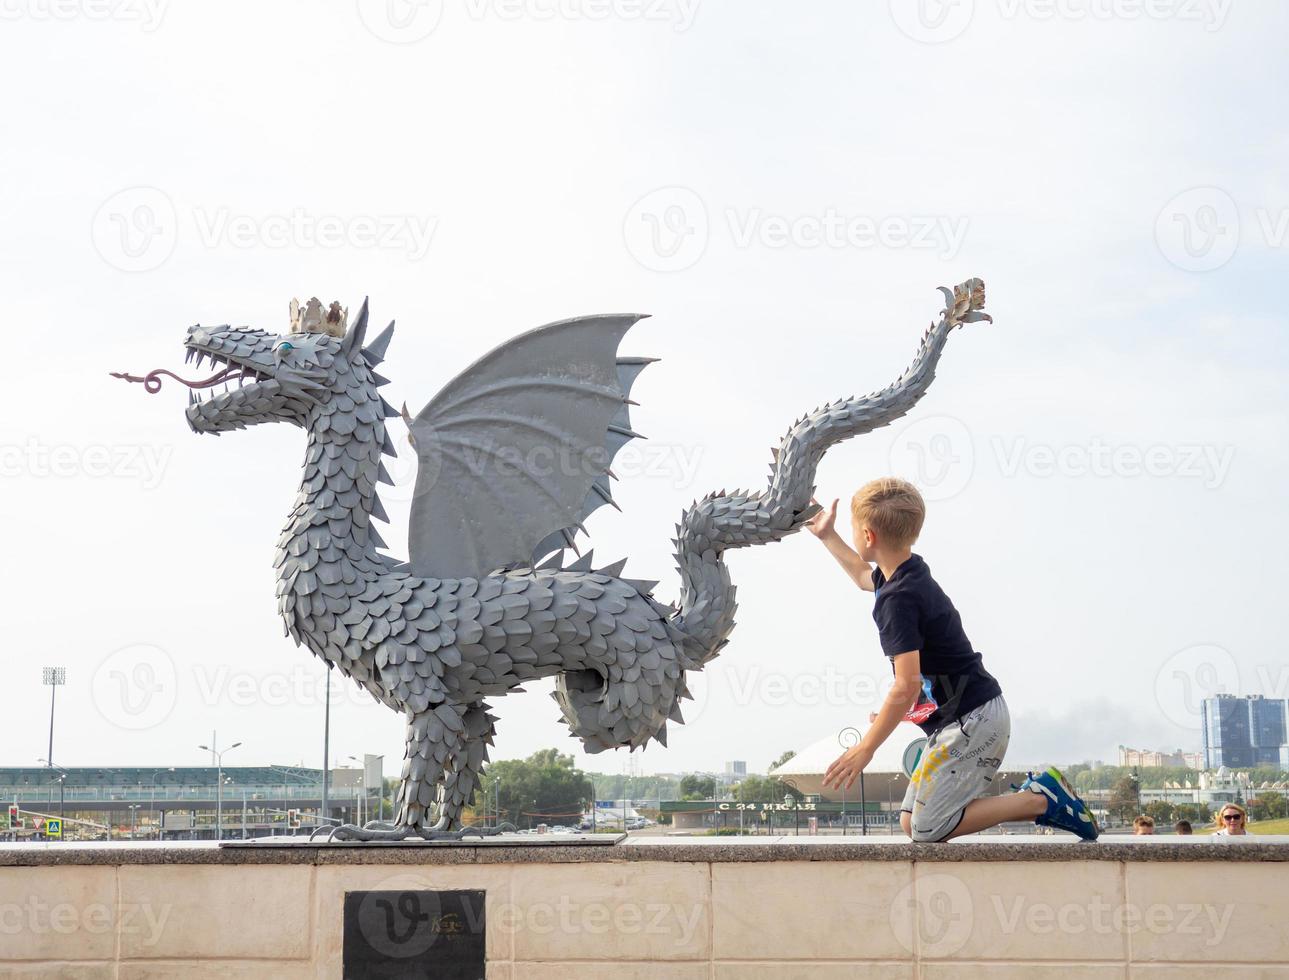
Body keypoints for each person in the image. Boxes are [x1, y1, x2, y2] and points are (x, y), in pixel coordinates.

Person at [806, 478, 1098, 842]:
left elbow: (907, 683)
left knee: (927, 829)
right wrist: (827, 535)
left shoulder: (897, 599)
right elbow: (864, 577)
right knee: (912, 821)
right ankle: (1038, 798)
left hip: (972, 721)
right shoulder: (907, 572)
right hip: (964, 717)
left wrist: (866, 748)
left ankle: (1038, 800)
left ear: (867, 535)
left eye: (850, 530)